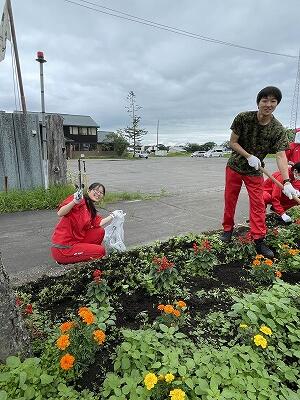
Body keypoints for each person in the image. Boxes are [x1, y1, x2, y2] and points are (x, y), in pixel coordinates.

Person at [220, 86, 299, 258]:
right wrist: (249, 156)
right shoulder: (243, 118)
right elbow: (232, 142)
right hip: (234, 166)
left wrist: (286, 182)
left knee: (258, 204)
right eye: (265, 100)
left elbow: (281, 156)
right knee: (230, 199)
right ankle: (227, 229)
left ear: (277, 104)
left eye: (273, 101)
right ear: (258, 103)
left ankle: (259, 240)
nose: (268, 104)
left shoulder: (278, 129)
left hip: (255, 171)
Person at [51, 182, 117, 264]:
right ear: (89, 191)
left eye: (101, 192)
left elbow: (98, 223)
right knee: (100, 251)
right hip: (63, 248)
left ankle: (85, 255)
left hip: (75, 242)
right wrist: (74, 201)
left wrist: (113, 215)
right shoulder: (79, 199)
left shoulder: (90, 207)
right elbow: (60, 213)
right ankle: (70, 259)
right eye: (96, 190)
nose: (98, 193)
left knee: (99, 231)